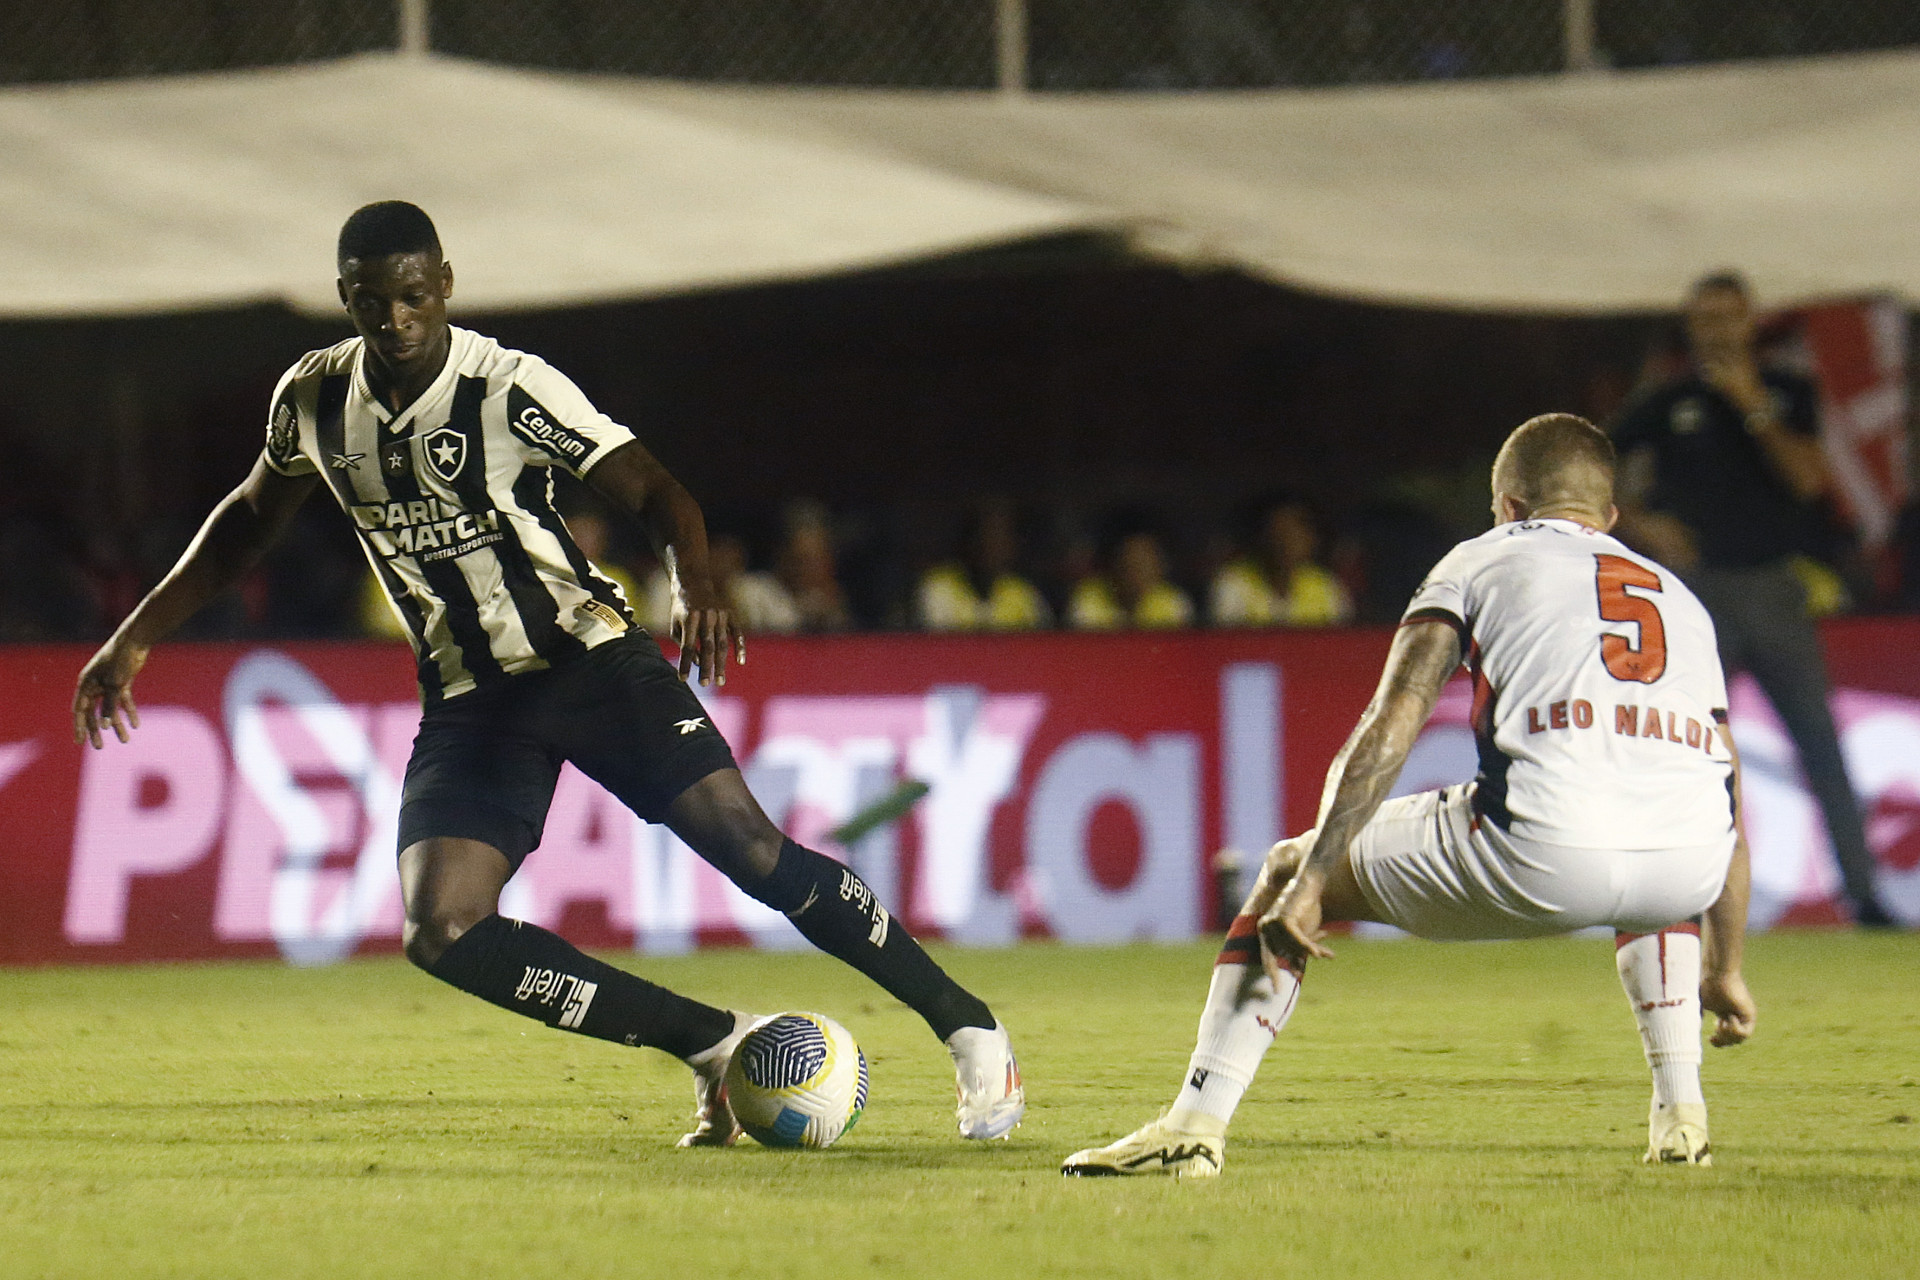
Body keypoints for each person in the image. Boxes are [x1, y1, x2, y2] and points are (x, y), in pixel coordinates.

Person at [70, 201, 1024, 1146]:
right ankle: (714, 1045)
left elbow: (653, 489)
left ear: (444, 284)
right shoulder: (314, 399)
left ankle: (969, 1026)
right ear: (345, 299)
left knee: (753, 853)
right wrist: (135, 636)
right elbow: (246, 520)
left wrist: (696, 588)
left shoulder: (509, 387)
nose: (395, 320)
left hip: (588, 659)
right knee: (442, 930)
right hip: (469, 701)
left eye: (412, 296)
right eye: (371, 301)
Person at [1063, 414, 1756, 1177]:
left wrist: (1317, 875)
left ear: (1509, 506)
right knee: (1653, 832)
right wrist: (1726, 965)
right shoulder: (1682, 601)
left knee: (1286, 870)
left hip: (1542, 851)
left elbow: (1392, 720)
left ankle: (1193, 1125)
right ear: (1610, 516)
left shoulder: (1481, 560)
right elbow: (1724, 785)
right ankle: (1682, 1119)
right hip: (1687, 870)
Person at [1610, 271, 1895, 928]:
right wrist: (1638, 522)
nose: (1715, 330)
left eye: (1727, 317)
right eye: (1703, 318)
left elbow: (1806, 479)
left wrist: (1751, 403)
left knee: (1819, 744)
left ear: (1749, 322)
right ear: (1689, 325)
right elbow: (1588, 460)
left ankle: (1864, 896)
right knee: (1680, 748)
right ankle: (1659, 895)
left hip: (1773, 588)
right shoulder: (1666, 398)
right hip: (1693, 593)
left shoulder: (1788, 392)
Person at [1210, 491, 1353, 627]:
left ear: (1312, 539)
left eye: (1294, 533)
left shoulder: (1327, 587)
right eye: (1280, 532)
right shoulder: (1233, 582)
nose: (1287, 542)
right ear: (1262, 537)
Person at [917, 500, 1051, 631]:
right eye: (992, 533)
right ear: (972, 539)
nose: (1000, 545)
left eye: (1004, 535)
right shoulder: (938, 585)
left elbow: (1042, 643)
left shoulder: (1022, 591)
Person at [1069, 521, 1194, 630]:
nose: (1136, 574)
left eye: (1144, 565)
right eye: (1130, 564)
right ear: (1114, 565)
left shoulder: (1173, 602)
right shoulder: (1088, 597)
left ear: (1159, 569)